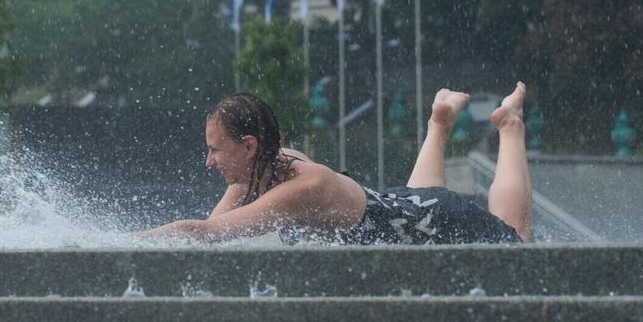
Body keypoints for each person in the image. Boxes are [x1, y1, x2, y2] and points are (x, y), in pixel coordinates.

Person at [136, 83, 532, 245]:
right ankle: (439, 122)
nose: (209, 161)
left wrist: (112, 243)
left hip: (434, 222)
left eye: (215, 149)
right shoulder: (263, 166)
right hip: (403, 209)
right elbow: (215, 228)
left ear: (249, 146)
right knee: (419, 199)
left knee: (518, 237)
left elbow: (204, 233)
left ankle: (510, 126)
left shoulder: (301, 188)